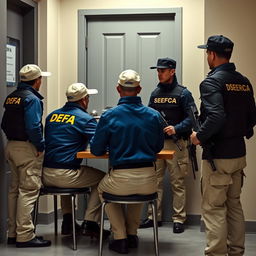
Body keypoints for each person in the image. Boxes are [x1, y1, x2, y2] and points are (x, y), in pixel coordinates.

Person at [191, 35, 256, 256]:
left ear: (211, 54)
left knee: (214, 208)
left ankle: (217, 254)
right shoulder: (243, 81)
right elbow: (252, 117)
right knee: (234, 205)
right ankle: (236, 251)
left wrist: (198, 136)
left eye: (207, 53)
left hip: (218, 156)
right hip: (238, 153)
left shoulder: (211, 81)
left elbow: (216, 116)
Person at [90, 69, 165, 254]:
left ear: (118, 89)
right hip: (149, 179)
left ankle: (120, 236)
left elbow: (96, 150)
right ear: (139, 89)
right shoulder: (154, 115)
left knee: (103, 190)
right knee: (137, 191)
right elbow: (157, 147)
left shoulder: (109, 116)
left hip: (120, 176)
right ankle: (132, 233)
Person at [42, 83, 110, 239]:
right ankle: (90, 223)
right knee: (104, 179)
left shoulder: (52, 116)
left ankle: (68, 222)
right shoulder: (85, 119)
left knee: (66, 178)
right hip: (65, 175)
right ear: (84, 100)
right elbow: (98, 147)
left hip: (45, 174)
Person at [139, 58, 196, 233]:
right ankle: (152, 217)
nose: (159, 73)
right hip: (157, 145)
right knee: (154, 182)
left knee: (177, 183)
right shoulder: (155, 93)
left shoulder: (183, 93)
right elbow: (148, 116)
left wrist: (176, 128)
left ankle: (179, 219)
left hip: (177, 144)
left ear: (172, 71)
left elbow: (193, 118)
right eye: (158, 70)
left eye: (162, 70)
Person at [1, 64, 51, 247]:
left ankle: (12, 233)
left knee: (14, 191)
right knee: (28, 191)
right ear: (38, 80)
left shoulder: (12, 97)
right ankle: (25, 235)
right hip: (27, 148)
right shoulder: (32, 99)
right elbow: (33, 126)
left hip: (11, 146)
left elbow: (4, 123)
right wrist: (40, 145)